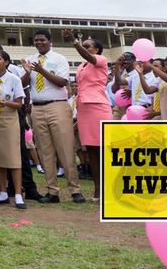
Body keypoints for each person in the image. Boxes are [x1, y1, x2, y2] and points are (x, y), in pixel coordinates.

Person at [22, 29, 85, 204]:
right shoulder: (30, 59)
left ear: (50, 42)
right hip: (37, 107)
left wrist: (41, 70)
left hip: (57, 105)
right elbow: (24, 85)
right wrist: (28, 72)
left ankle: (75, 190)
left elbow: (62, 82)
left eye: (42, 40)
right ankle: (52, 191)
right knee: (44, 150)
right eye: (36, 40)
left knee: (65, 149)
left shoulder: (59, 59)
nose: (39, 43)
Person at [62, 29, 112, 202]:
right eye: (83, 46)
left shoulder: (101, 60)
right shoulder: (82, 66)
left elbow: (89, 57)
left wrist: (75, 43)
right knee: (90, 150)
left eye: (88, 46)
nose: (84, 48)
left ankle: (110, 188)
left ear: (96, 50)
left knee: (102, 149)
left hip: (98, 107)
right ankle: (98, 190)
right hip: (84, 108)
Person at [0, 49, 27, 209]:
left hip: (9, 117)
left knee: (13, 157)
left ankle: (17, 194)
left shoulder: (14, 79)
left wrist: (6, 103)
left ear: (6, 62)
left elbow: (19, 104)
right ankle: (2, 192)